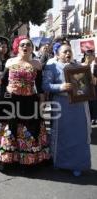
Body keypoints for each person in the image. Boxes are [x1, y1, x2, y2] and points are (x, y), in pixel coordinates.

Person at [0, 36, 50, 170]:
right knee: (8, 129)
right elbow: (3, 81)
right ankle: (7, 159)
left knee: (29, 129)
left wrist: (42, 103)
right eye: (22, 45)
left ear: (32, 48)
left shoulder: (37, 64)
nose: (25, 47)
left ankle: (27, 160)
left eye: (28, 45)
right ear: (17, 47)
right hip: (9, 100)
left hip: (28, 102)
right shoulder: (10, 61)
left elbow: (39, 86)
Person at [43, 44, 92, 176]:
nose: (67, 54)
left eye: (69, 51)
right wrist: (60, 87)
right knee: (62, 134)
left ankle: (78, 165)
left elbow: (84, 84)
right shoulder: (52, 67)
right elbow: (46, 85)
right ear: (57, 54)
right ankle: (59, 162)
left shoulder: (77, 67)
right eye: (64, 52)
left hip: (79, 107)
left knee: (79, 136)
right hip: (62, 105)